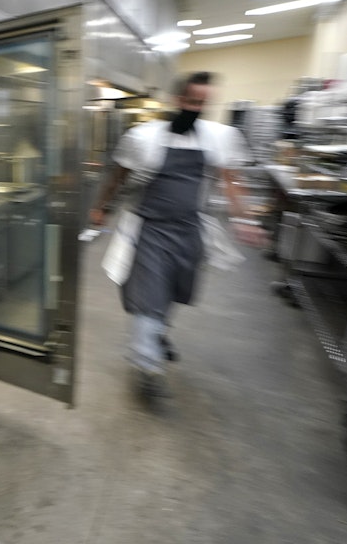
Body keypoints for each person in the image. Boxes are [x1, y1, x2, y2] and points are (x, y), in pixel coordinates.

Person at [89, 71, 267, 396]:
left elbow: (231, 181)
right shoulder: (144, 138)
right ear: (178, 100)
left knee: (174, 291)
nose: (197, 108)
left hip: (190, 231)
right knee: (149, 294)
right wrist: (101, 208)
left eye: (203, 103)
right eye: (192, 101)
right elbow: (118, 176)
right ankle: (147, 365)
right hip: (151, 229)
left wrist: (247, 221)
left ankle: (156, 333)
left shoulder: (216, 138)